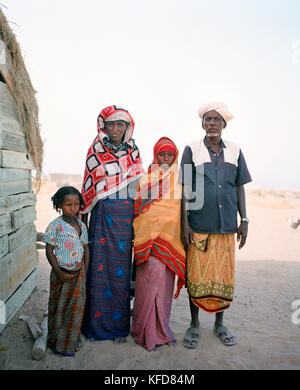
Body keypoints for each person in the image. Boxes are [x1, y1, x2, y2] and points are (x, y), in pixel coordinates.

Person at [180, 102, 252, 348]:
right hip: (199, 225)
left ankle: (220, 323)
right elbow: (186, 189)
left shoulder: (235, 150)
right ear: (202, 124)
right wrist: (185, 225)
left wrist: (244, 219)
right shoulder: (191, 149)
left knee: (223, 276)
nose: (212, 123)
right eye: (208, 119)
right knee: (196, 277)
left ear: (224, 124)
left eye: (216, 119)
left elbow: (239, 185)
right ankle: (194, 323)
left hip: (227, 227)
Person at [80, 105, 143, 343]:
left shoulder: (134, 151)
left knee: (120, 272)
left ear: (127, 127)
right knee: (97, 269)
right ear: (103, 126)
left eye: (121, 124)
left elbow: (137, 187)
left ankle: (117, 328)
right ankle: (95, 327)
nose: (116, 129)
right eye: (112, 124)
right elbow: (89, 185)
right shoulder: (95, 150)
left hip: (125, 218)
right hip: (101, 216)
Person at [131, 137, 186, 351]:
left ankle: (162, 331)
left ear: (175, 157)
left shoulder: (180, 179)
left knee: (164, 287)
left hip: (170, 240)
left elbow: (182, 209)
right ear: (155, 155)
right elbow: (138, 208)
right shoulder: (146, 178)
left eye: (169, 155)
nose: (165, 158)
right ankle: (141, 332)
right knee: (148, 282)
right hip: (148, 239)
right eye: (162, 154)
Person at [44, 186, 89, 357]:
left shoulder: (82, 226)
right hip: (60, 273)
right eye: (68, 204)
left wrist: (85, 271)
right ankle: (56, 341)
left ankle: (70, 341)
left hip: (79, 273)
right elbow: (49, 250)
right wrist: (58, 272)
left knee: (75, 309)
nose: (73, 208)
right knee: (59, 307)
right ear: (60, 206)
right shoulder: (55, 226)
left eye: (76, 204)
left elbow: (86, 249)